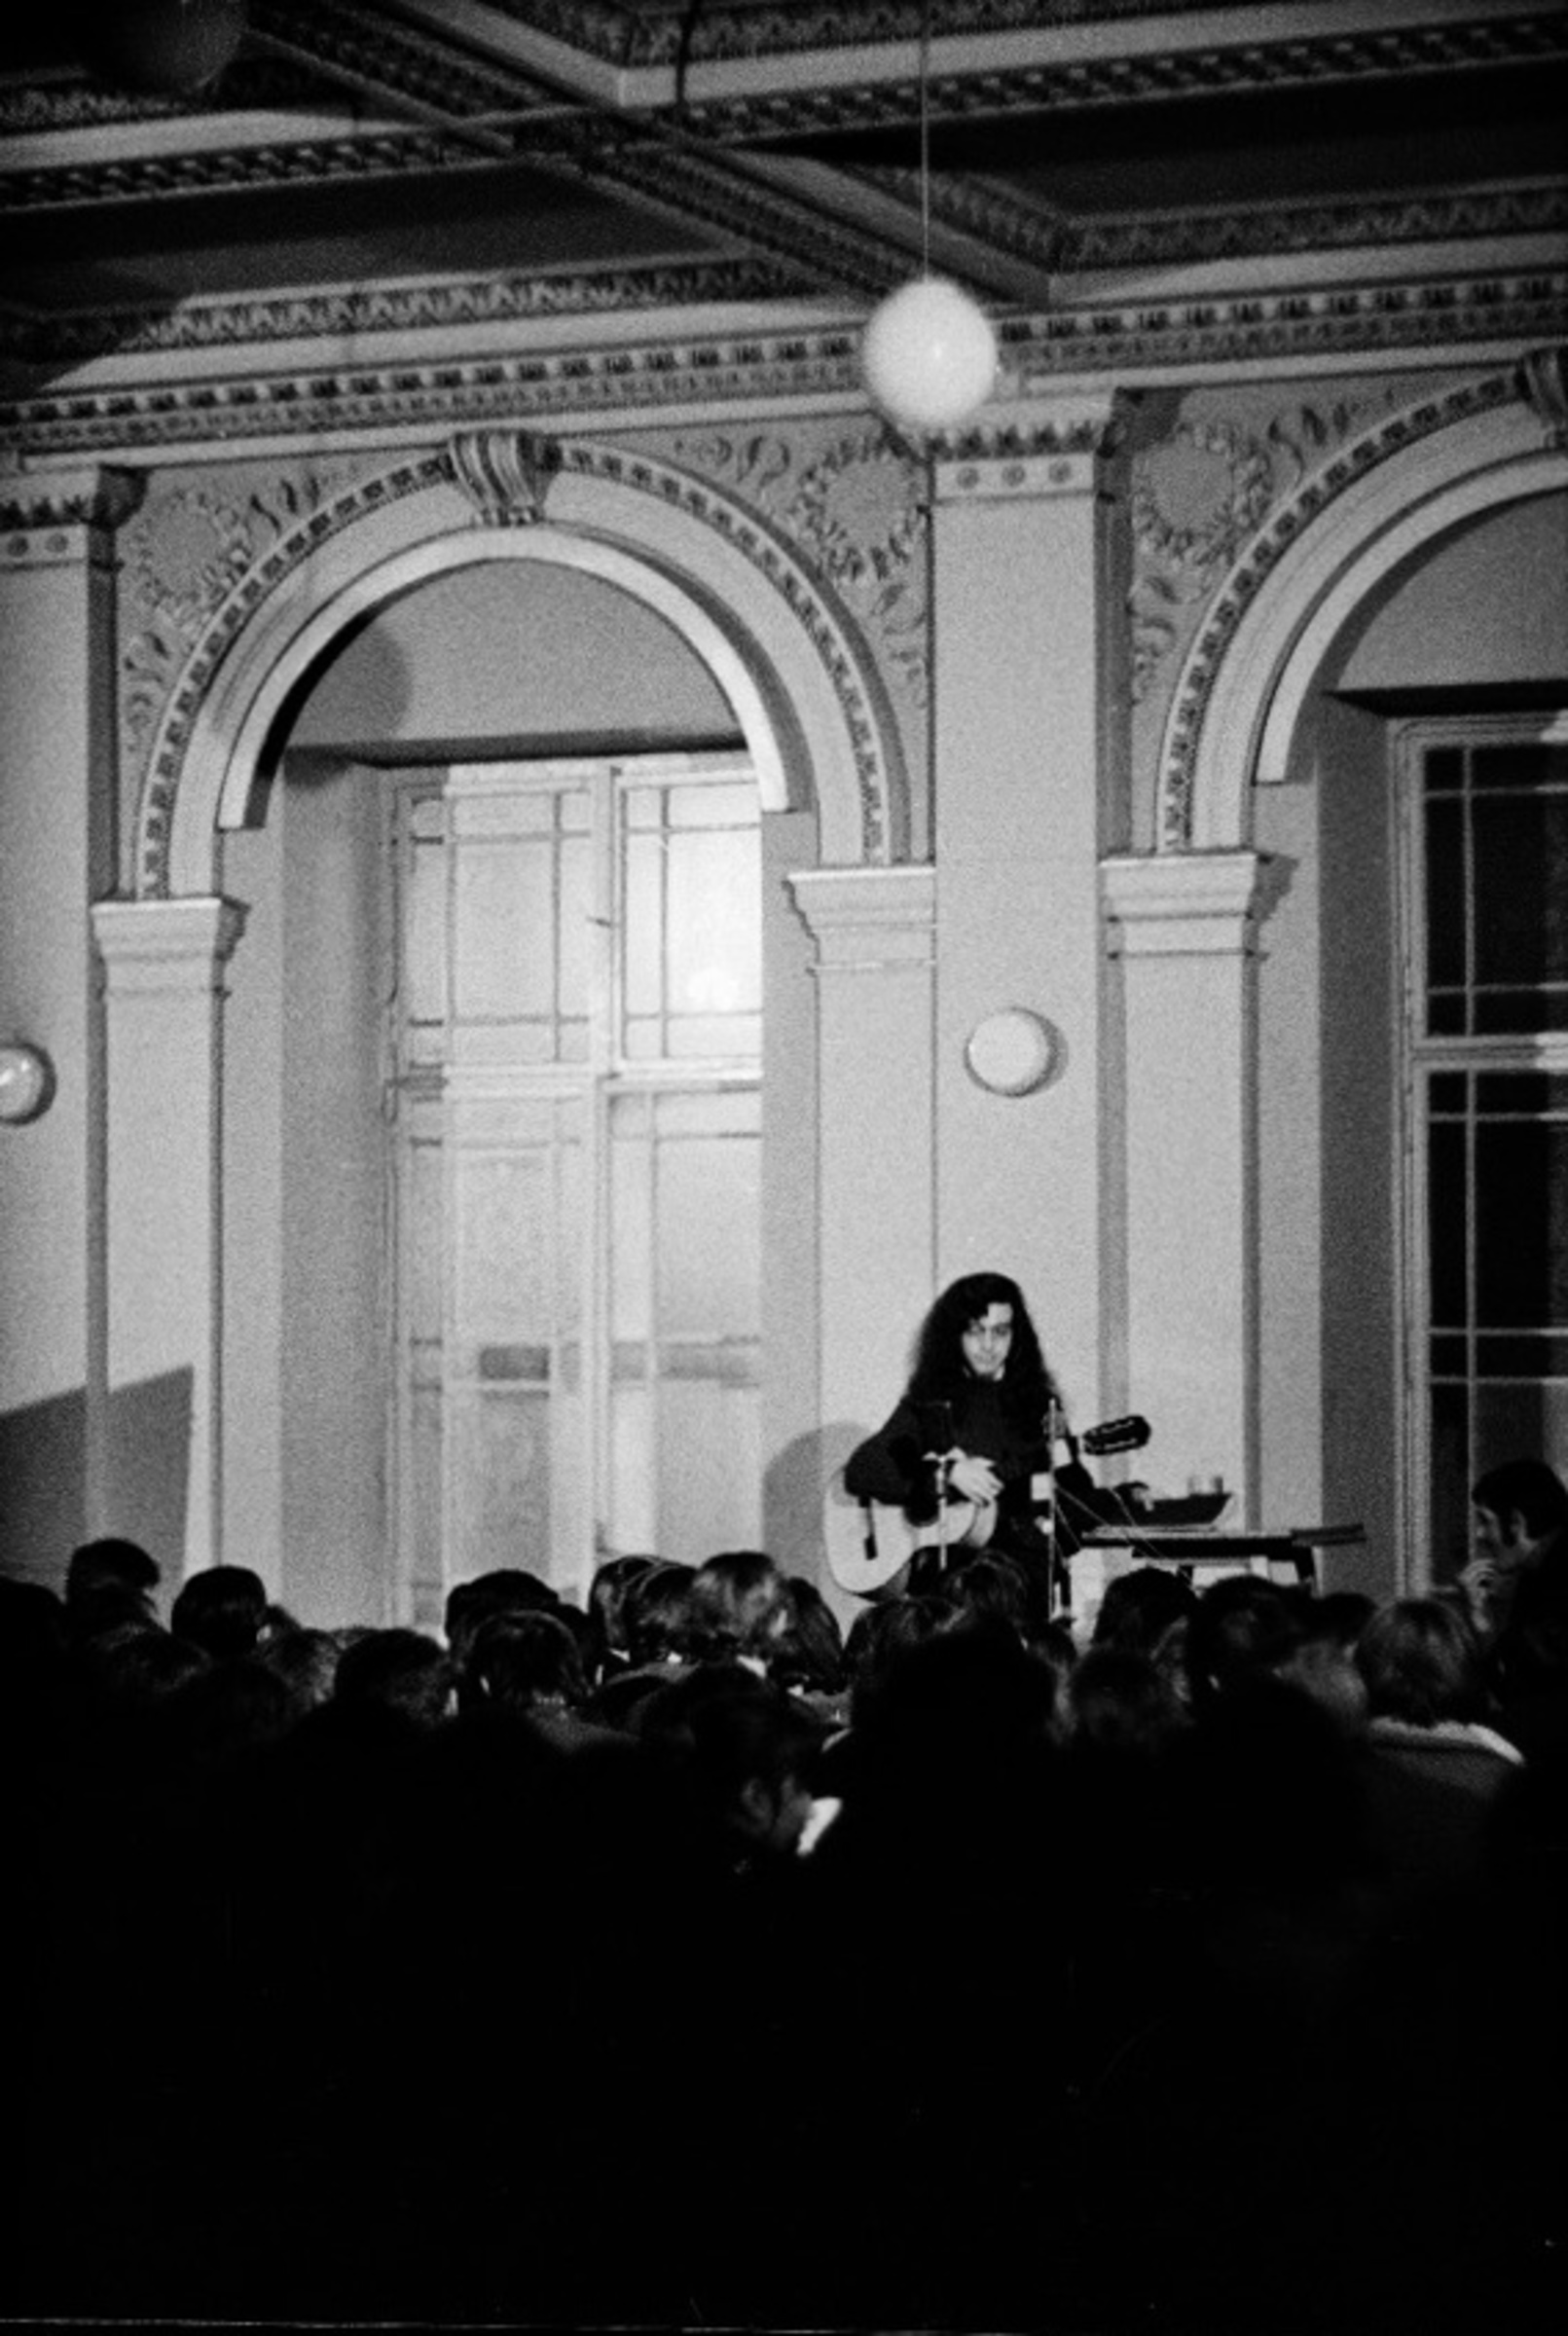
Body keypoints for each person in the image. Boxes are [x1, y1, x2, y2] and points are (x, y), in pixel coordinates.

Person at [843, 1271, 1092, 1596]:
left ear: (1016, 1336)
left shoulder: (1039, 1406)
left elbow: (1076, 1490)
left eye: (1000, 1332)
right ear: (955, 1336)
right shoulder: (931, 1401)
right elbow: (863, 1470)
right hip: (946, 1583)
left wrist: (1116, 1498)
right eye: (976, 1331)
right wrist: (946, 1475)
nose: (988, 1346)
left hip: (1020, 1579)